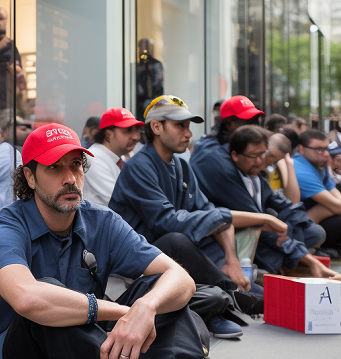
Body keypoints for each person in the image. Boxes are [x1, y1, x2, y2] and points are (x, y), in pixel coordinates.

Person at [0, 122, 205, 359]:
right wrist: (127, 314)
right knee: (47, 298)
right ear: (30, 177)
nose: (70, 178)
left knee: (156, 290)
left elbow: (182, 279)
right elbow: (27, 298)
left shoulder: (102, 221)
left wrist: (146, 307)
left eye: (76, 165)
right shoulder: (8, 224)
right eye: (54, 168)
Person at [110, 95, 253, 293]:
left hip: (173, 259)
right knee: (177, 240)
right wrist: (227, 216)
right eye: (180, 126)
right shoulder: (138, 167)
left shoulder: (181, 166)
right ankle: (230, 293)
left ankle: (233, 291)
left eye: (188, 126)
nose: (188, 134)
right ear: (156, 127)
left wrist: (232, 259)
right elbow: (167, 223)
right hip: (138, 261)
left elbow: (208, 211)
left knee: (208, 232)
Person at [190, 125, 335, 279]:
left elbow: (288, 205)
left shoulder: (257, 177)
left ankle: (289, 262)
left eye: (263, 154)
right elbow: (261, 225)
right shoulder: (227, 178)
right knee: (264, 226)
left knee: (309, 230)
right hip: (236, 246)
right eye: (253, 156)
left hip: (271, 238)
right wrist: (302, 254)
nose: (261, 161)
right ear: (234, 155)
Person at [83, 108, 143, 207]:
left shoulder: (121, 159)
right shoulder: (93, 159)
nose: (136, 137)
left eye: (136, 130)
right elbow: (125, 201)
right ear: (108, 135)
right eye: (127, 131)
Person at [293, 129, 341, 251]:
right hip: (298, 229)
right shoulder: (299, 168)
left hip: (313, 220)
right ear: (301, 149)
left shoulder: (319, 163)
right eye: (319, 149)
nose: (326, 154)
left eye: (327, 149)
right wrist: (331, 207)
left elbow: (336, 196)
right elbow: (337, 206)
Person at [135, 38, 164, 120]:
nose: (145, 51)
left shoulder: (156, 65)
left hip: (153, 100)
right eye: (142, 48)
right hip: (139, 101)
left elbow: (158, 83)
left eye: (147, 48)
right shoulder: (137, 67)